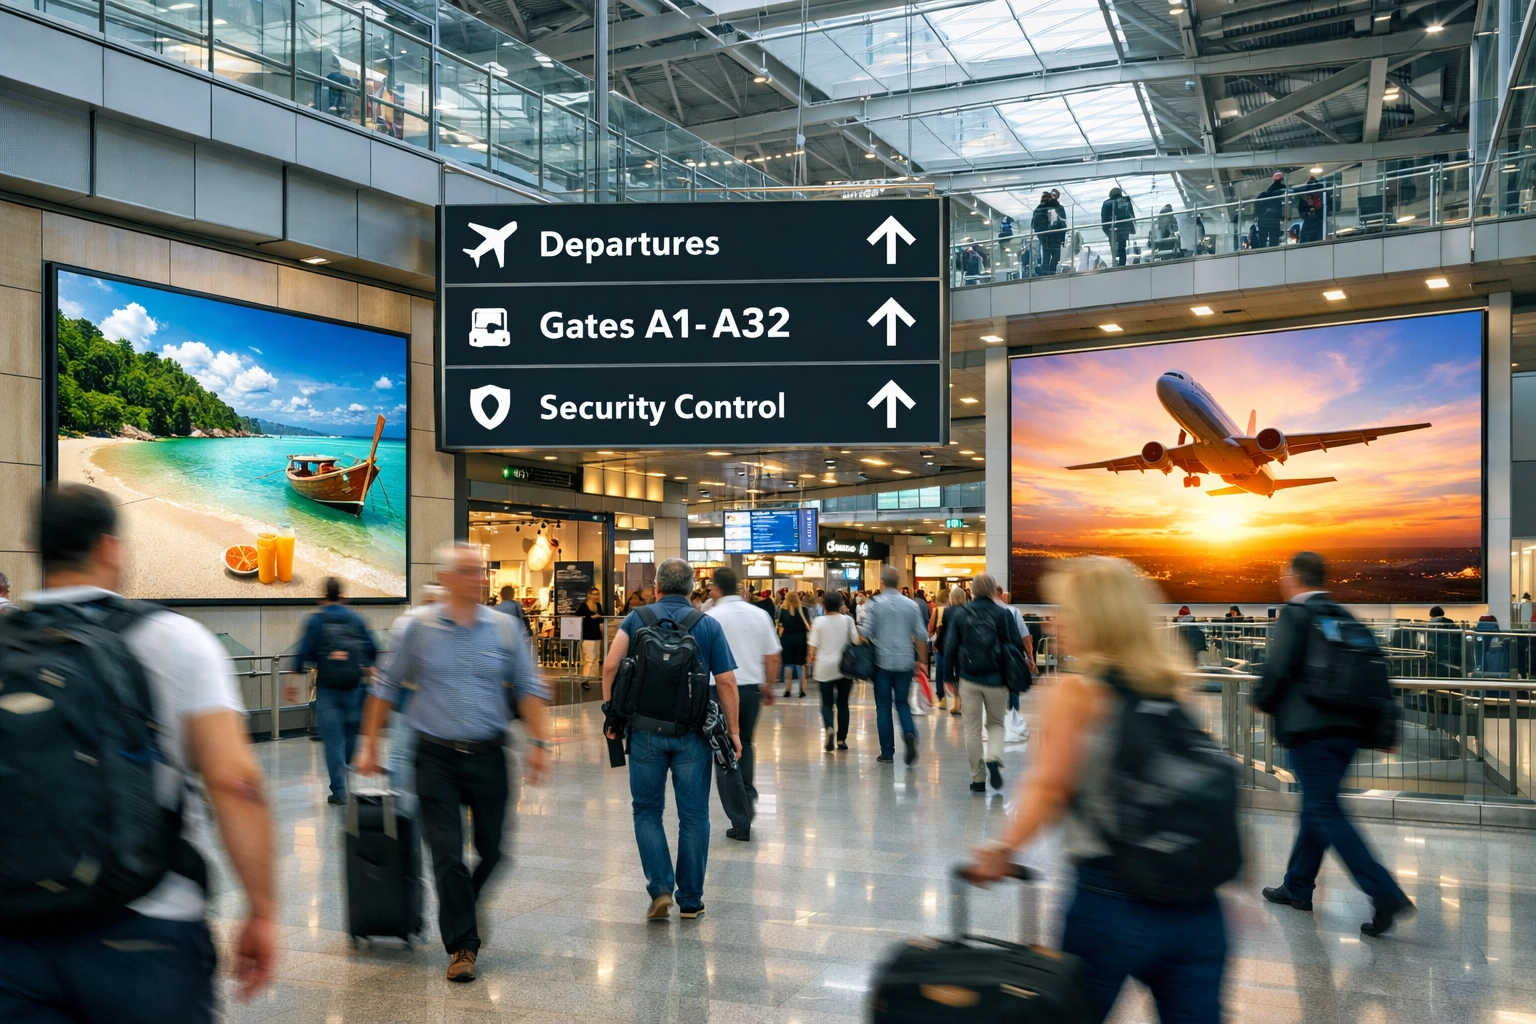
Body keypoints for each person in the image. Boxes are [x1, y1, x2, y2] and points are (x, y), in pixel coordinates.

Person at [0, 484, 276, 1021]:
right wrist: (262, 909)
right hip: (145, 928)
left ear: (40, 549)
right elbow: (235, 783)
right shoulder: (176, 640)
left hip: (15, 936)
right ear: (109, 547)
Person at [964, 556, 1228, 1024]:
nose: (1054, 621)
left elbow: (1050, 787)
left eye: (1065, 610)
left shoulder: (1077, 692)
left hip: (1111, 895)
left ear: (1094, 618)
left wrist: (1003, 849)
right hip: (1198, 906)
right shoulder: (1175, 686)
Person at [357, 542, 552, 983]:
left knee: (494, 851)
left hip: (489, 755)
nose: (478, 578)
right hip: (434, 758)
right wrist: (368, 745)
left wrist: (540, 743)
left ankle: (465, 904)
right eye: (467, 571)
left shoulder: (504, 628)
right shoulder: (418, 628)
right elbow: (385, 687)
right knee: (447, 854)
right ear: (445, 578)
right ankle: (463, 946)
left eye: (479, 571)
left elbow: (528, 686)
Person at [1253, 551, 1414, 937]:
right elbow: (1377, 674)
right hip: (1348, 733)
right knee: (1317, 807)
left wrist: (1260, 699)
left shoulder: (1296, 613)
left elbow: (1278, 666)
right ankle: (1298, 885)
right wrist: (1384, 731)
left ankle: (1384, 892)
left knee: (1324, 810)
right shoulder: (1343, 616)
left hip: (1311, 732)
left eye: (1284, 576)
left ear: (1294, 578)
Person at [602, 558, 739, 922]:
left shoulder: (636, 618)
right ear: (692, 589)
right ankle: (690, 900)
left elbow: (611, 665)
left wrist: (611, 713)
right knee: (694, 816)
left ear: (657, 587)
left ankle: (661, 888)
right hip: (692, 735)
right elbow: (726, 682)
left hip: (645, 732)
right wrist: (733, 732)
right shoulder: (707, 625)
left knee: (647, 810)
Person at [704, 568, 779, 841]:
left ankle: (740, 817)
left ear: (716, 588)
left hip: (717, 691)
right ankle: (747, 796)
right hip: (750, 691)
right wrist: (768, 686)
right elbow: (773, 656)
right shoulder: (759, 614)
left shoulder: (710, 617)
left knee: (723, 751)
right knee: (744, 744)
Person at [293, 576, 378, 805]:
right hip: (353, 687)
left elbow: (303, 654)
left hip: (327, 689)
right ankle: (349, 779)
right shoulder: (356, 619)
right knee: (351, 736)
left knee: (333, 742)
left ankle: (339, 791)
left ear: (323, 597)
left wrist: (292, 681)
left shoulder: (316, 621)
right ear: (342, 596)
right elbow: (372, 649)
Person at [943, 573, 1024, 793]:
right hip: (997, 679)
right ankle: (994, 757)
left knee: (972, 729)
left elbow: (950, 647)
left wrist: (948, 677)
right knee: (996, 723)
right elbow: (1016, 646)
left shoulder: (960, 613)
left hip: (968, 678)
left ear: (972, 590)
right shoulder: (1003, 614)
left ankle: (978, 779)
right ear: (993, 590)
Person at [860, 565, 929, 765]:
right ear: (898, 583)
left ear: (881, 582)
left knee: (883, 707)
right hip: (905, 662)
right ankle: (909, 732)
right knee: (902, 703)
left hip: (882, 662)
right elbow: (921, 636)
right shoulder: (911, 605)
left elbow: (865, 632)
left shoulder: (875, 604)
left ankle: (887, 752)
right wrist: (922, 662)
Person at [386, 583, 444, 805]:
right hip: (434, 706)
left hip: (407, 701)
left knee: (400, 754)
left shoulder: (406, 621)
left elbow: (394, 669)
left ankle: (402, 804)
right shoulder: (447, 625)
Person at [807, 589, 857, 751]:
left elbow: (812, 647)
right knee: (843, 703)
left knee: (827, 703)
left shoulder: (819, 622)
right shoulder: (848, 620)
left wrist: (811, 657)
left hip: (824, 667)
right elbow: (856, 640)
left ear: (824, 605)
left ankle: (829, 728)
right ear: (841, 604)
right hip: (845, 667)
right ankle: (841, 739)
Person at [934, 585, 969, 714]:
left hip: (949, 646)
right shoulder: (968, 611)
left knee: (944, 671)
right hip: (964, 648)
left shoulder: (947, 611)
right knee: (961, 676)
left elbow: (944, 631)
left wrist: (939, 645)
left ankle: (945, 699)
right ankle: (959, 703)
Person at [778, 591, 811, 698]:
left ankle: (788, 690)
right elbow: (808, 626)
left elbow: (780, 626)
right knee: (801, 665)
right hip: (801, 640)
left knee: (788, 665)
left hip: (787, 640)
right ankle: (802, 690)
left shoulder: (783, 610)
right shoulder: (804, 610)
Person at [1031, 190, 1067, 275]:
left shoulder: (1038, 209)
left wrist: (1040, 236)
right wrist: (1062, 238)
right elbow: (1063, 221)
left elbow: (1033, 225)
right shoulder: (1057, 208)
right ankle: (1051, 272)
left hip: (1044, 238)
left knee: (1046, 257)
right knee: (1055, 257)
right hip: (1055, 237)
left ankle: (1046, 273)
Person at [1100, 187, 1136, 266]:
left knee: (1113, 247)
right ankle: (1122, 264)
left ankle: (1114, 262)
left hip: (1112, 230)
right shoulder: (1125, 200)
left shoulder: (1106, 203)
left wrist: (1107, 231)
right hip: (1124, 230)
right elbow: (1131, 215)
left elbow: (1104, 218)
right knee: (1122, 248)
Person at [579, 586, 606, 687]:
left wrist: (595, 617)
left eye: (597, 594)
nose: (596, 596)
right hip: (587, 635)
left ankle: (592, 679)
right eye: (594, 594)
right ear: (589, 595)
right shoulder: (584, 606)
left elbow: (602, 617)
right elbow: (579, 616)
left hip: (596, 634)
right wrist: (591, 617)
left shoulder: (598, 605)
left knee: (595, 657)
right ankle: (586, 679)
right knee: (589, 658)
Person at [1253, 172, 1287, 248]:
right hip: (1274, 219)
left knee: (1262, 240)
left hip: (1263, 219)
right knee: (1274, 241)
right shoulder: (1281, 189)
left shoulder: (1265, 193)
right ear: (1281, 179)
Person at [1295, 173, 1326, 242]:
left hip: (1311, 225)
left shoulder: (1306, 198)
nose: (1308, 199)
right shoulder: (1319, 198)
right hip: (1314, 225)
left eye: (1309, 198)